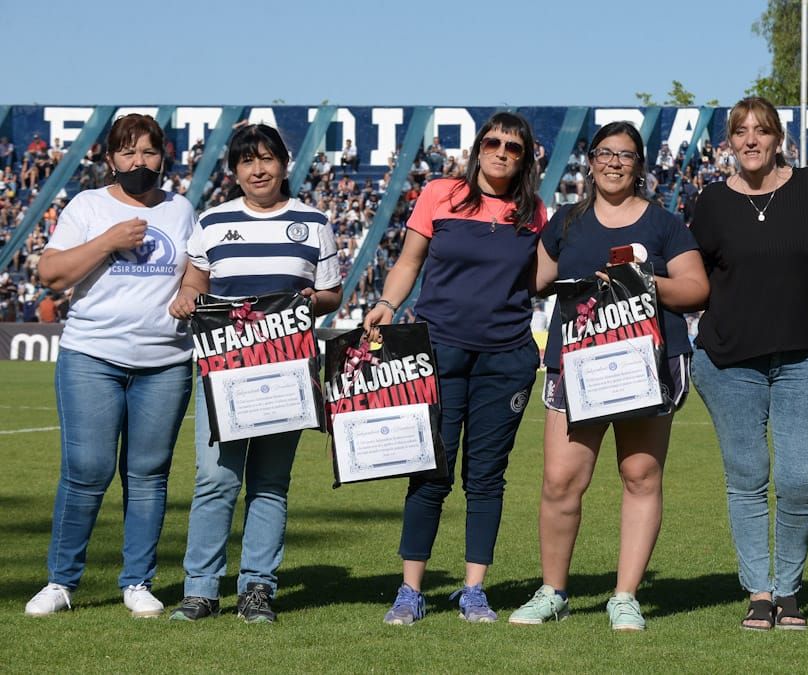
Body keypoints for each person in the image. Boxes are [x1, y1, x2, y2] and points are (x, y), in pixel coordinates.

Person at [509, 122, 708, 631]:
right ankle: (553, 592)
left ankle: (625, 596)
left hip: (645, 364)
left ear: (639, 165)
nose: (614, 163)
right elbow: (533, 278)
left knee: (640, 476)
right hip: (578, 365)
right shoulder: (567, 222)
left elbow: (695, 288)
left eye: (625, 155)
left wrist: (644, 282)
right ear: (591, 161)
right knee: (560, 481)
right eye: (604, 153)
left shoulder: (665, 224)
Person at [361, 112, 545, 625]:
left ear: (525, 157)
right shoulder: (441, 193)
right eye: (493, 142)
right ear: (478, 147)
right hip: (439, 351)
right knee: (430, 473)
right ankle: (410, 591)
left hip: (506, 359)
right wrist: (387, 304)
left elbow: (541, 278)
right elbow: (409, 261)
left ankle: (474, 591)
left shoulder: (534, 211)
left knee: (486, 478)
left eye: (513, 146)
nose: (502, 151)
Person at [168, 124, 343, 624]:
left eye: (267, 159)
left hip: (286, 374)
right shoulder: (213, 221)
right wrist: (185, 299)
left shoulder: (313, 222)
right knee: (215, 479)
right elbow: (195, 282)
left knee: (269, 483)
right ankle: (201, 590)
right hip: (223, 372)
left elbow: (332, 293)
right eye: (247, 161)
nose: (258, 169)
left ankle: (257, 589)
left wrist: (312, 299)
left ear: (284, 165)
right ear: (234, 171)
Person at [25, 114, 197, 618]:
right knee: (86, 471)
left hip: (165, 362)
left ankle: (138, 581)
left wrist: (189, 292)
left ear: (163, 157)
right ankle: (60, 582)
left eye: (148, 152)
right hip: (92, 356)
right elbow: (51, 274)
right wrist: (107, 241)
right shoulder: (88, 205)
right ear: (110, 159)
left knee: (148, 475)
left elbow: (196, 273)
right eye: (128, 152)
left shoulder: (182, 209)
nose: (138, 161)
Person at [689, 96, 808, 631]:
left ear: (779, 138)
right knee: (747, 478)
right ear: (729, 142)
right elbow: (692, 279)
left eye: (761, 130)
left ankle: (790, 589)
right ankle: (760, 592)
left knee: (801, 480)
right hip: (728, 362)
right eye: (741, 131)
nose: (751, 140)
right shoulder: (711, 201)